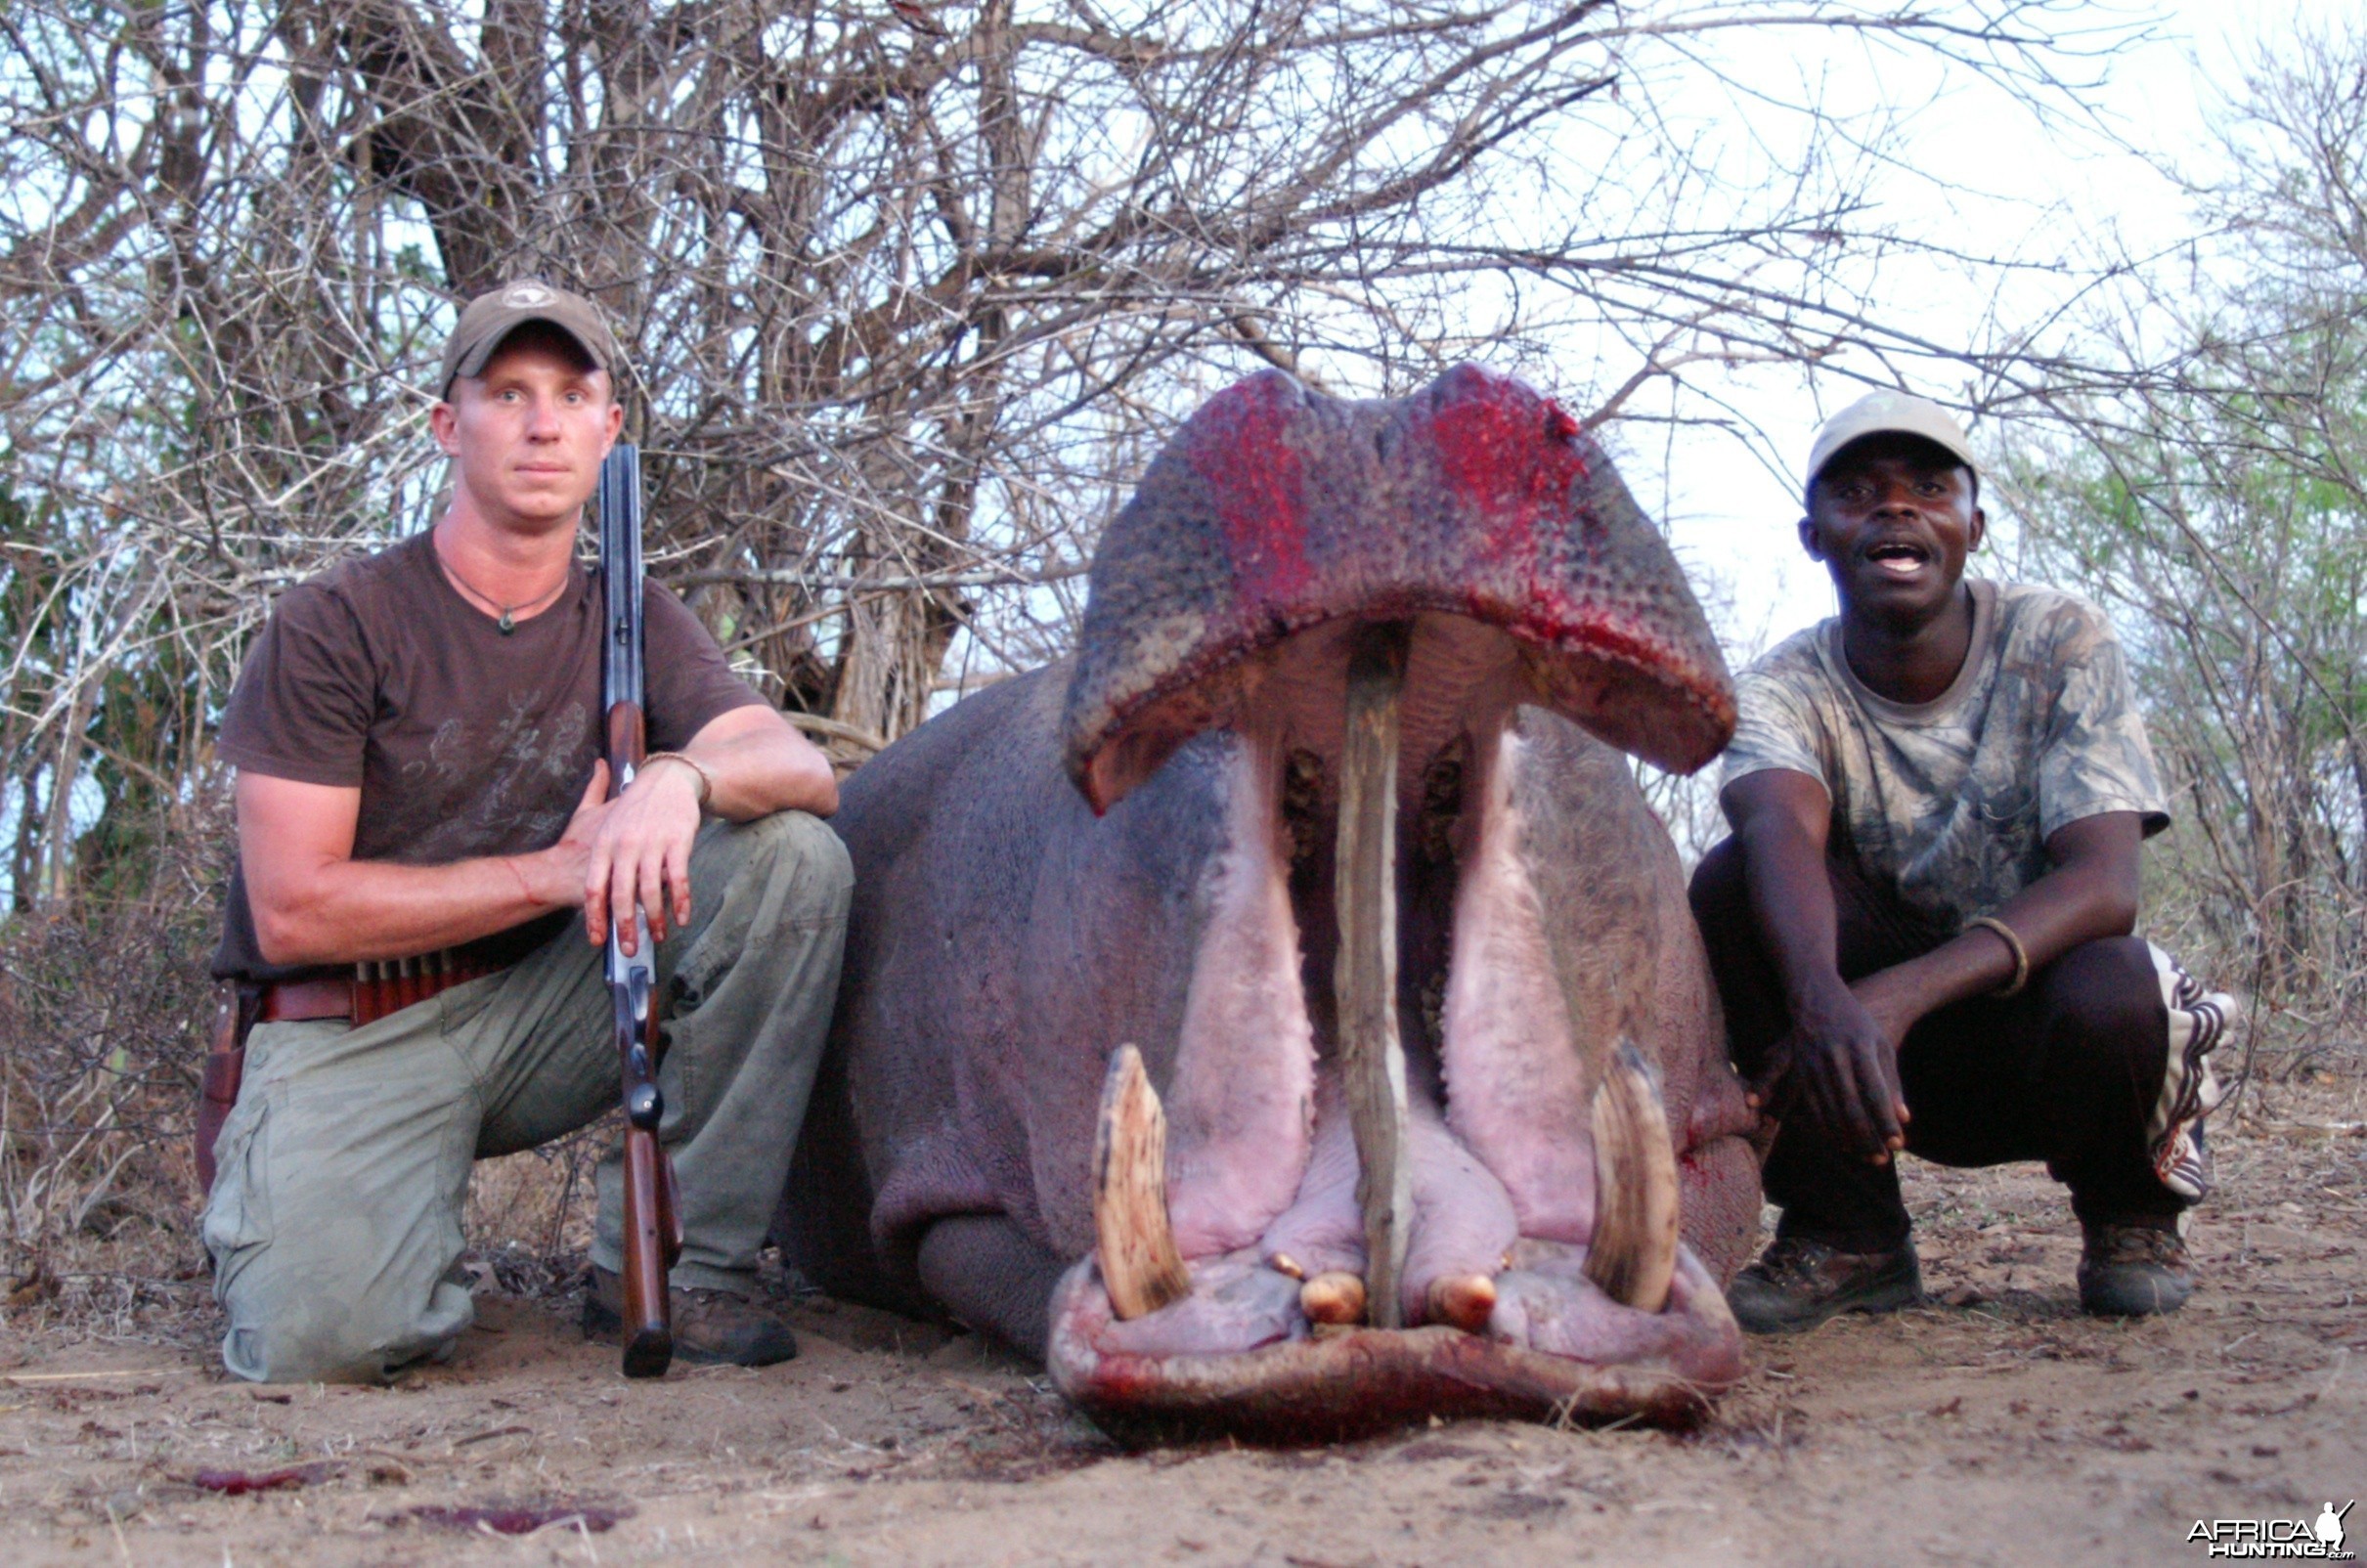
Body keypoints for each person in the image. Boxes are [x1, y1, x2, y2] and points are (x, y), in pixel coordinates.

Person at [201, 281, 851, 1381]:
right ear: (448, 426)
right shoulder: (334, 624)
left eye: (571, 392)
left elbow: (800, 767)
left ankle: (677, 1269)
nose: (542, 423)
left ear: (609, 428)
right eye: (507, 392)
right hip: (357, 1022)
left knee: (790, 858)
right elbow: (296, 907)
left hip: (552, 1014)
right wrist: (559, 870)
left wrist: (681, 780)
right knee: (321, 1342)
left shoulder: (635, 614)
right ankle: (360, 1220)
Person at [1688, 389, 2232, 1334]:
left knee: (2119, 983)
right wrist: (1825, 1002)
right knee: (1731, 882)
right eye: (1857, 491)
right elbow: (1774, 831)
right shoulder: (1782, 687)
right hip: (1866, 1073)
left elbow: (2106, 885)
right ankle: (1848, 1233)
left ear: (1971, 526)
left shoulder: (2059, 637)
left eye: (1927, 487)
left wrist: (1887, 999)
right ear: (1813, 535)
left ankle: (2129, 1215)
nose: (1894, 508)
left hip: (2046, 1035)